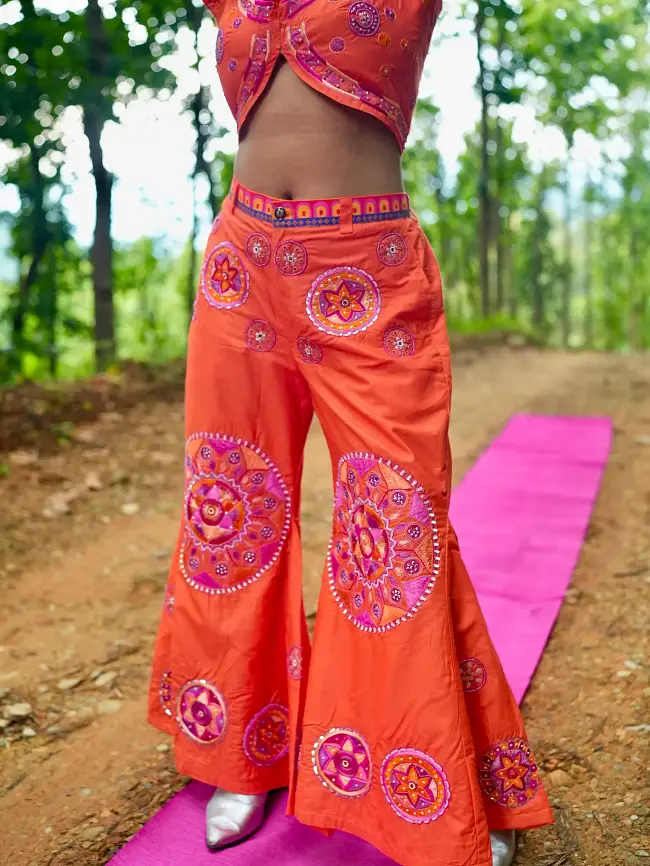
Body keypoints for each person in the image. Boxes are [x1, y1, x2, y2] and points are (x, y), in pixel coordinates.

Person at [148, 2, 554, 864]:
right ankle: (242, 754)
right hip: (240, 264)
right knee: (238, 513)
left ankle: (440, 781)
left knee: (395, 527)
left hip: (366, 265)